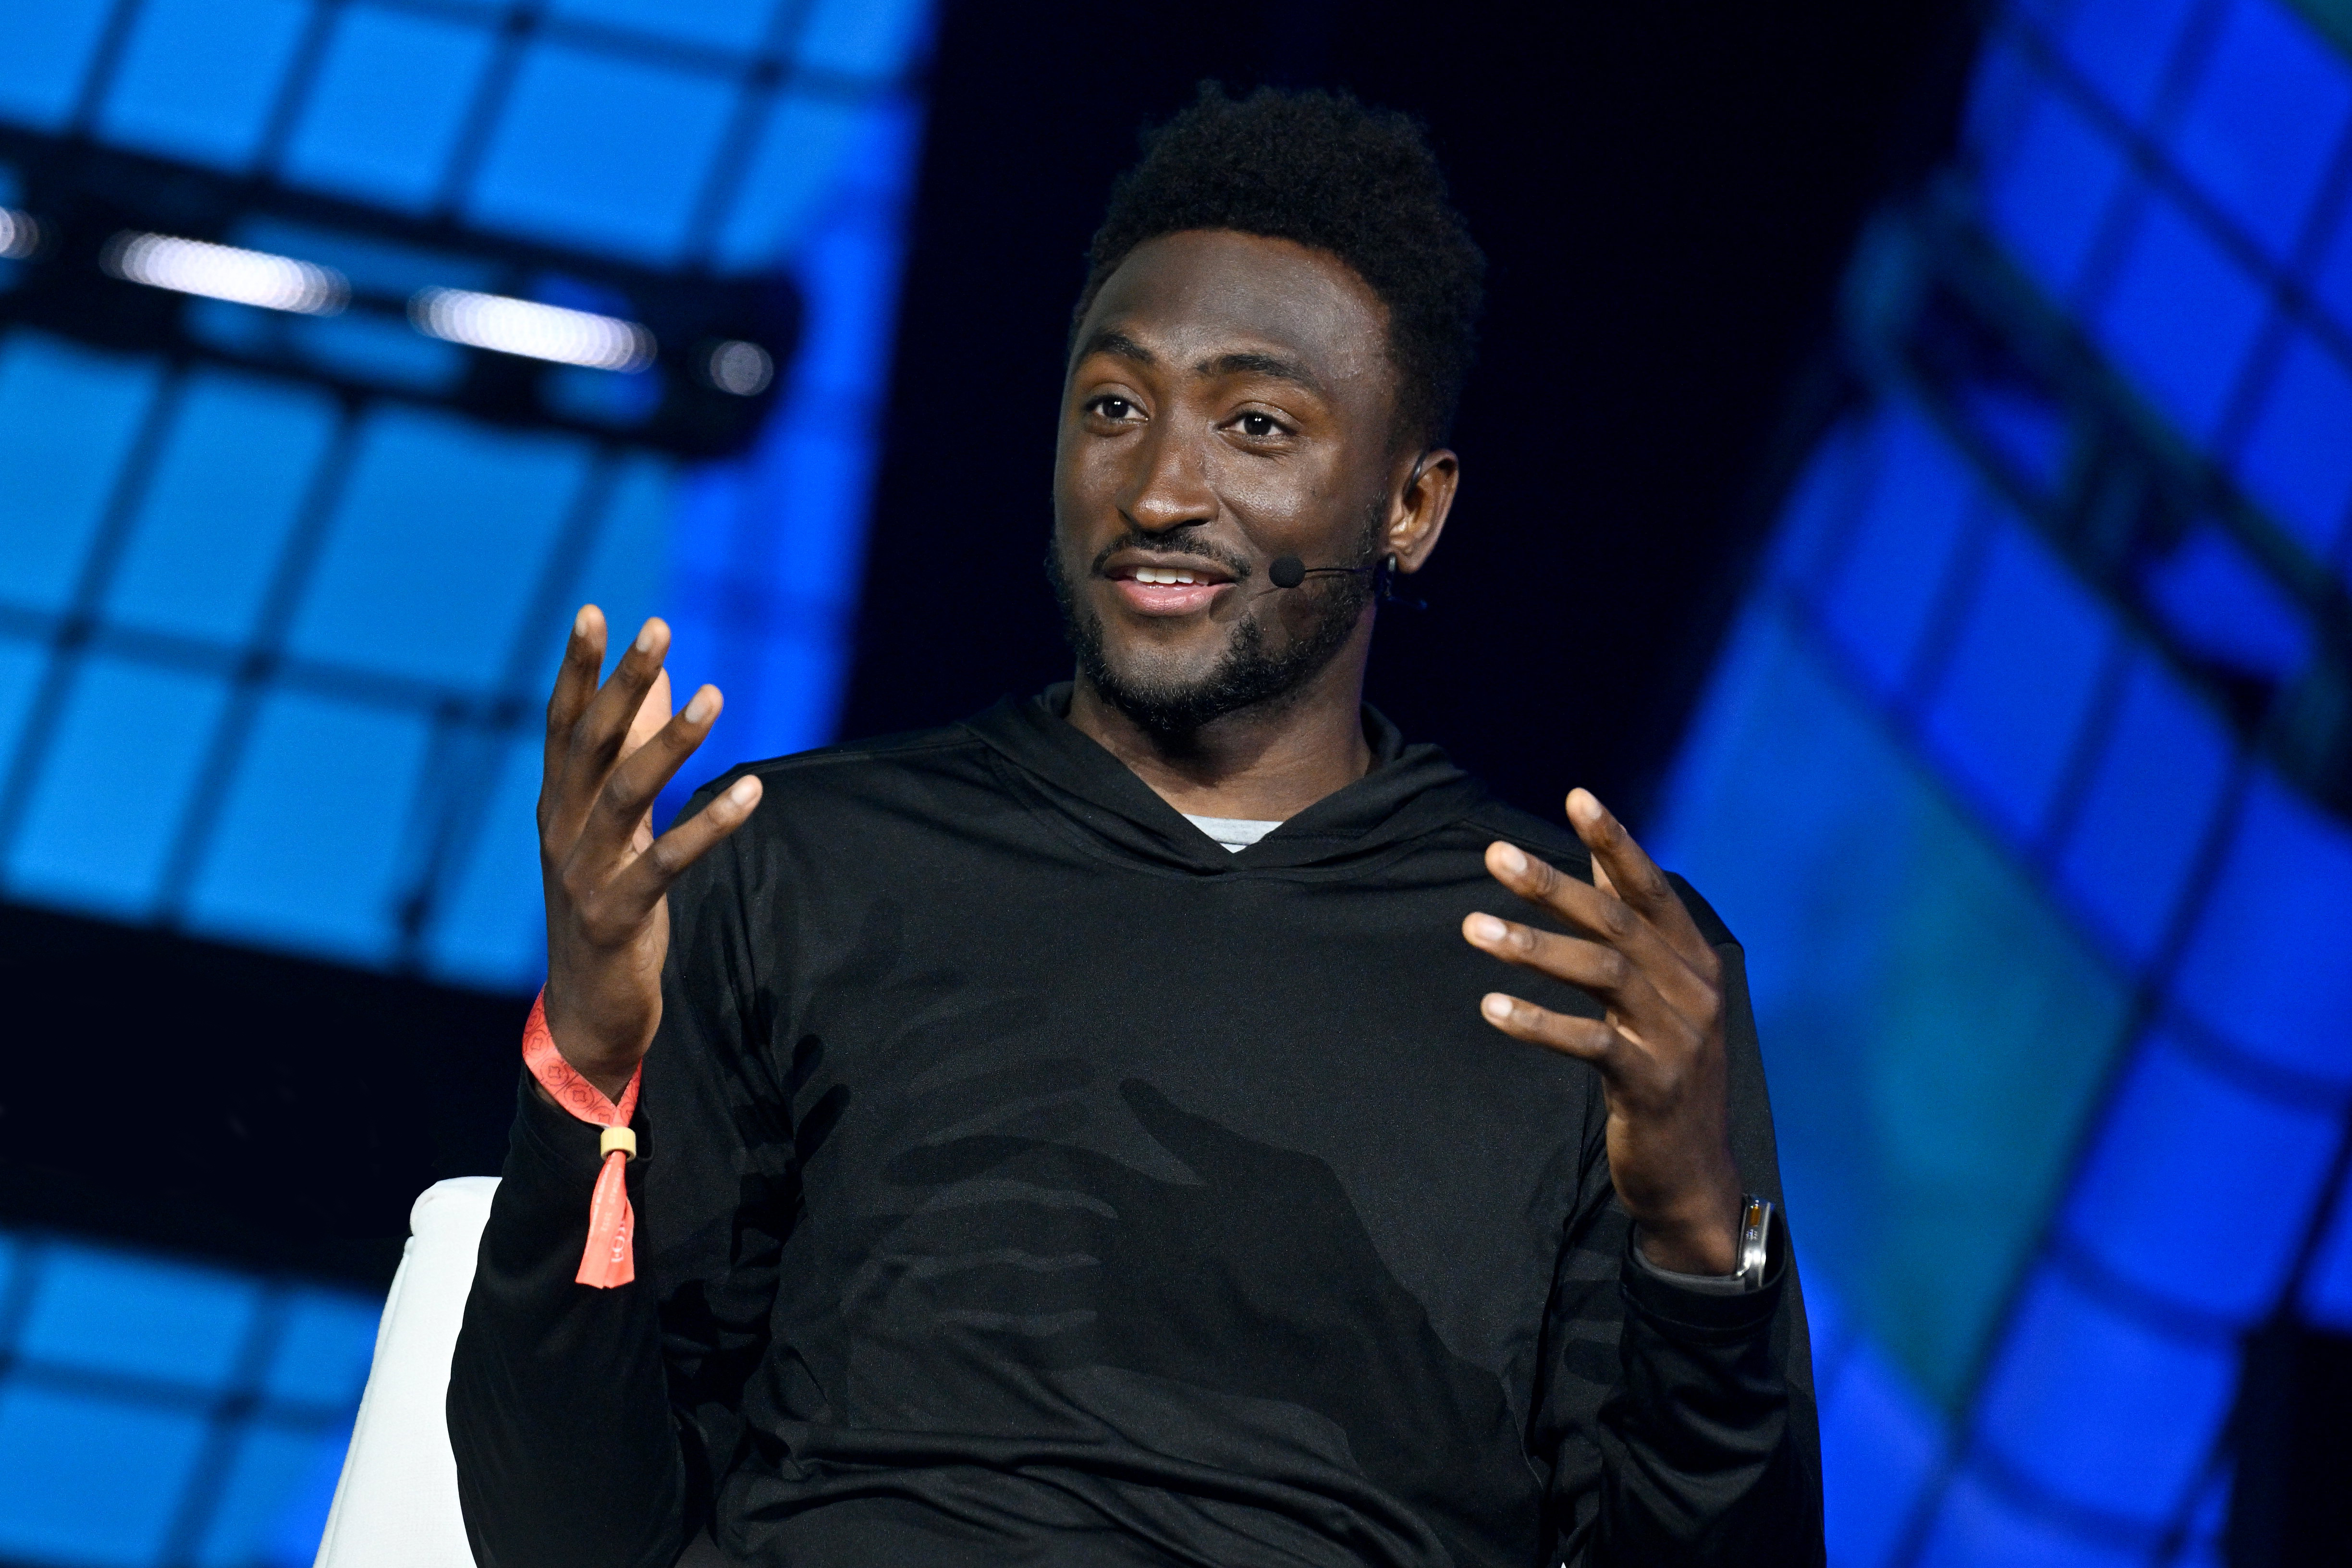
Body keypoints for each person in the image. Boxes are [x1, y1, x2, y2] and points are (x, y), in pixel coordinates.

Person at [450, 84, 1823, 1568]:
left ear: (1412, 505)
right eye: (1114, 407)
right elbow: (566, 1536)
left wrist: (1697, 1243)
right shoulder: (798, 866)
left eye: (1255, 424)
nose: (1162, 488)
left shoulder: (1601, 974)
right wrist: (587, 1069)